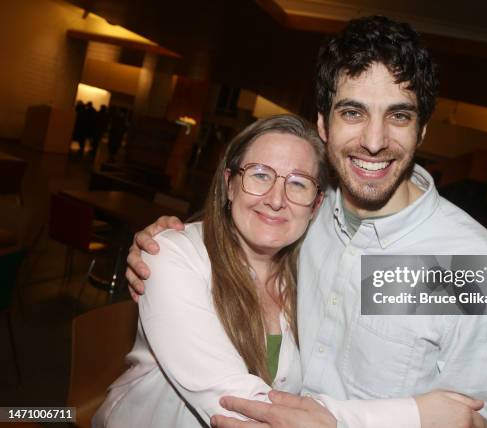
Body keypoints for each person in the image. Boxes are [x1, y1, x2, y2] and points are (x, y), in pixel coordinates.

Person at [127, 16, 487, 428]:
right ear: (323, 125)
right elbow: (232, 230)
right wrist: (166, 243)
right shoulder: (304, 213)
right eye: (352, 112)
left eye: (399, 116)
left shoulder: (475, 268)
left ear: (422, 131)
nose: (373, 140)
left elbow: (476, 423)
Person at [93, 115, 329, 427]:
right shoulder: (171, 254)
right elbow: (234, 405)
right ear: (230, 185)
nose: (276, 200)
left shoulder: (313, 279)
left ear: (315, 206)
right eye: (260, 175)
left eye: (298, 183)